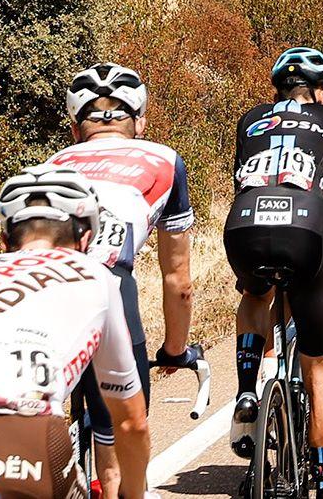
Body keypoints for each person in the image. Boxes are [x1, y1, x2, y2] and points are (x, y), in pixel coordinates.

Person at [0, 166, 150, 499]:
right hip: (26, 437)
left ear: (5, 239)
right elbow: (131, 422)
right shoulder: (94, 273)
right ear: (86, 237)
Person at [226, 48, 323, 497]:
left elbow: (245, 181)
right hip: (306, 228)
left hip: (245, 223)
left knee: (256, 297)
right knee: (319, 370)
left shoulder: (249, 119)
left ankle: (245, 389)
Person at [43, 63, 195, 496]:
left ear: (75, 127)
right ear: (140, 122)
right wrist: (175, 349)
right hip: (108, 290)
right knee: (122, 457)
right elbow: (178, 279)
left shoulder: (51, 165)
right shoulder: (164, 160)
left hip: (43, 297)